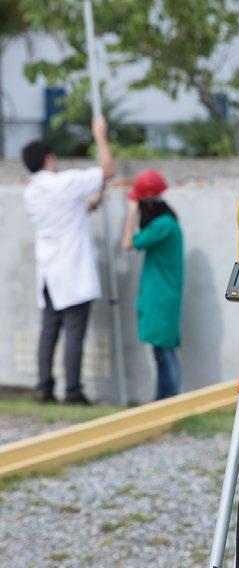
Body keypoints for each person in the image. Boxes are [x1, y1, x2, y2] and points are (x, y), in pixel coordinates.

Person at [22, 117, 114, 405]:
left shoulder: (32, 190)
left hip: (49, 273)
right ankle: (73, 391)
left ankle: (44, 387)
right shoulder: (64, 182)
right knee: (74, 333)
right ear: (49, 159)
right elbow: (108, 170)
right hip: (72, 271)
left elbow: (65, 214)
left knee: (49, 332)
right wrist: (100, 135)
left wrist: (90, 204)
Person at [122, 169, 183, 400]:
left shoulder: (163, 225)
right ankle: (166, 401)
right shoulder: (167, 222)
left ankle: (165, 402)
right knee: (164, 350)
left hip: (160, 296)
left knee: (163, 352)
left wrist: (130, 213)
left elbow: (128, 243)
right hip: (161, 294)